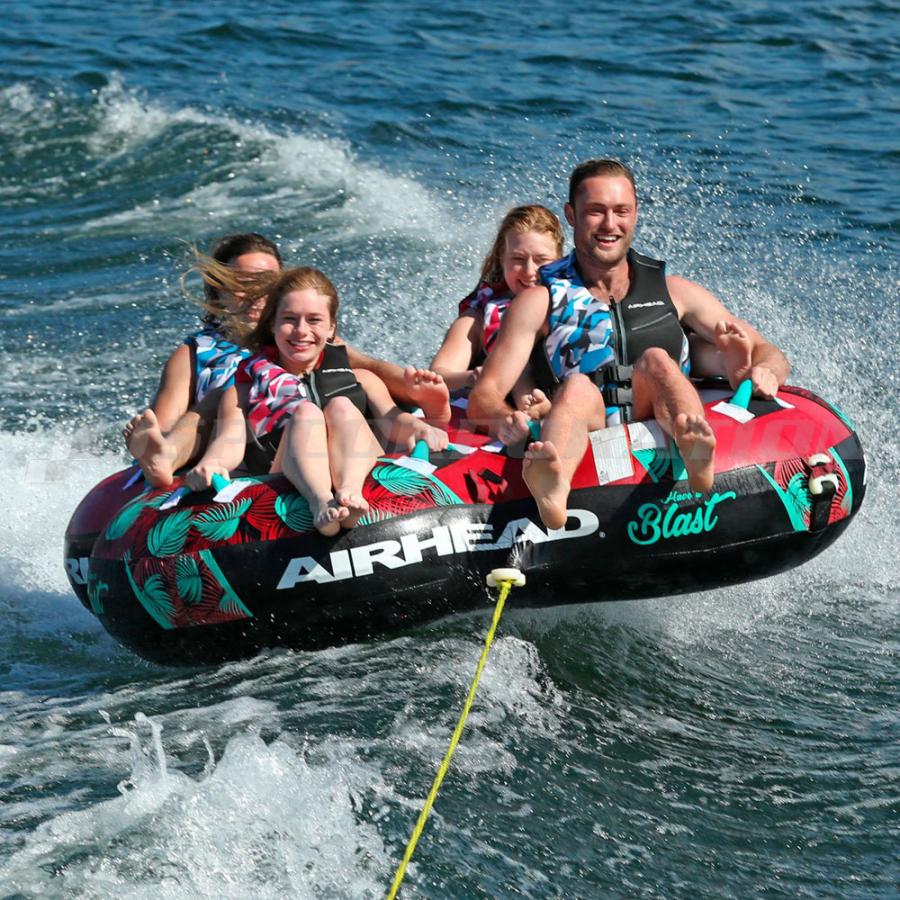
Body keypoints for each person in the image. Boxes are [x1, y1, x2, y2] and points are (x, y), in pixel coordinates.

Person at [468, 158, 790, 529]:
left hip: (652, 409)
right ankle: (553, 488)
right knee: (577, 387)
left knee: (657, 361)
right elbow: (485, 394)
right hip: (583, 421)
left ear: (635, 214)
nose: (610, 224)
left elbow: (768, 351)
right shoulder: (541, 300)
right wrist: (508, 420)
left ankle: (695, 449)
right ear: (571, 215)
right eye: (595, 211)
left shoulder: (674, 292)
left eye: (621, 211)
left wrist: (767, 370)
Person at [186, 267, 451, 536]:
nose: (301, 331)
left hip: (360, 471)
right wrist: (212, 463)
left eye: (314, 320)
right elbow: (227, 443)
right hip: (285, 481)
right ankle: (321, 500)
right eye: (289, 319)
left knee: (341, 406)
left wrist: (421, 428)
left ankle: (349, 492)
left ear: (331, 327)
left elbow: (394, 420)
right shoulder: (243, 393)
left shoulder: (362, 379)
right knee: (306, 413)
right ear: (272, 325)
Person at [123, 232, 283, 487]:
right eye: (243, 283)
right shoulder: (194, 354)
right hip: (218, 459)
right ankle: (167, 459)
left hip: (295, 444)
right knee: (224, 396)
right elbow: (161, 428)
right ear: (219, 290)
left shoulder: (301, 338)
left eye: (267, 284)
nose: (256, 294)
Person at [431, 204, 564, 420]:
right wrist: (471, 377)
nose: (530, 271)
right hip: (494, 412)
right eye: (518, 259)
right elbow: (438, 375)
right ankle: (530, 405)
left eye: (541, 260)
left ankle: (537, 407)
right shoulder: (477, 316)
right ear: (502, 258)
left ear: (560, 260)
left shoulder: (574, 306)